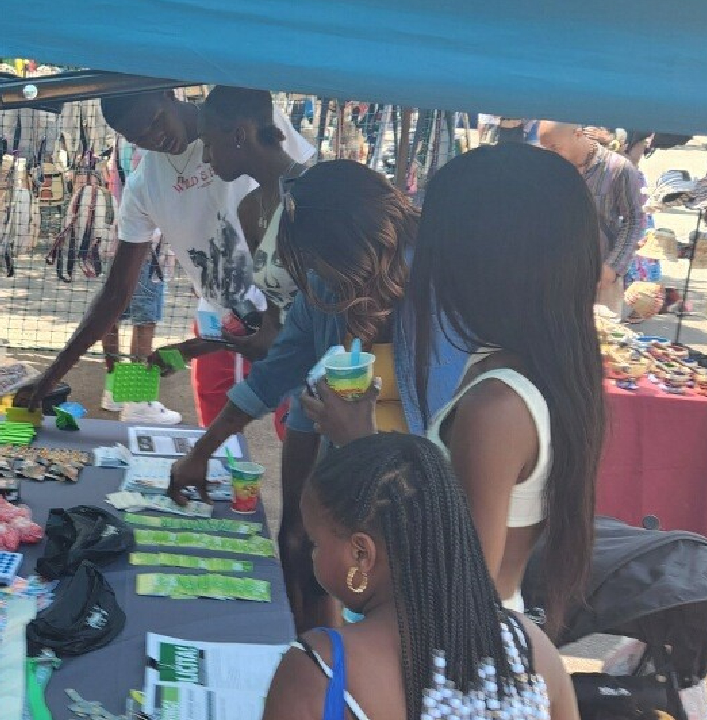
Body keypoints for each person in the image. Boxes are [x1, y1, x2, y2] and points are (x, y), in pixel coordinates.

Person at [166, 133, 466, 630]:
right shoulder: (326, 290)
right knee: (310, 559)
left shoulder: (439, 296)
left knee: (391, 614)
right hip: (348, 480)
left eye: (317, 262)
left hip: (416, 507)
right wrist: (202, 451)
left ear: (355, 247)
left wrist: (357, 445)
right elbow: (273, 377)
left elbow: (444, 456)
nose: (312, 277)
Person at [307, 143, 605, 638]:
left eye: (433, 243)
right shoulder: (521, 372)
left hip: (446, 648)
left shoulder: (497, 407)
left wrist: (359, 446)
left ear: (477, 261)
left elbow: (462, 585)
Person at [14, 89, 315, 430]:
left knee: (297, 425)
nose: (154, 138)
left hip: (289, 316)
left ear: (169, 95)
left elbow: (302, 189)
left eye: (156, 122)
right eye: (139, 137)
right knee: (223, 435)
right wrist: (51, 376)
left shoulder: (242, 114)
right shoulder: (143, 186)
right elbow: (116, 292)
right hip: (223, 322)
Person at [263, 433, 578, 720]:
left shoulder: (319, 670)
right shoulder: (531, 648)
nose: (313, 557)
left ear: (361, 553)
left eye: (316, 543)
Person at [100, 137, 181, 423]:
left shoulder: (122, 141)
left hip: (119, 238)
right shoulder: (152, 147)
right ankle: (138, 402)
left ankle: (114, 390)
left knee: (112, 316)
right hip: (147, 244)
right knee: (144, 322)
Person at [538, 120, 645, 316]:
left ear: (578, 134)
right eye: (546, 149)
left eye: (555, 147)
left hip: (601, 279)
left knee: (601, 334)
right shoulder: (551, 170)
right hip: (556, 277)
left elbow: (635, 220)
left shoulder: (618, 168)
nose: (550, 155)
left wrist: (613, 267)